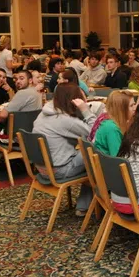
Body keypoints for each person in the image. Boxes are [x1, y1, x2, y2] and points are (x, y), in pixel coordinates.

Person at [32, 83, 96, 215]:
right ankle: (85, 207)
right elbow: (96, 133)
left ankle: (85, 204)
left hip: (42, 168)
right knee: (94, 151)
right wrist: (85, 110)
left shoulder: (43, 113)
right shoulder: (64, 120)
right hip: (59, 170)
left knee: (87, 151)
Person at [93, 91, 136, 156]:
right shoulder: (112, 128)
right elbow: (118, 158)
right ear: (121, 109)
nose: (135, 108)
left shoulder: (112, 122)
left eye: (134, 104)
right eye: (131, 106)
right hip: (109, 165)